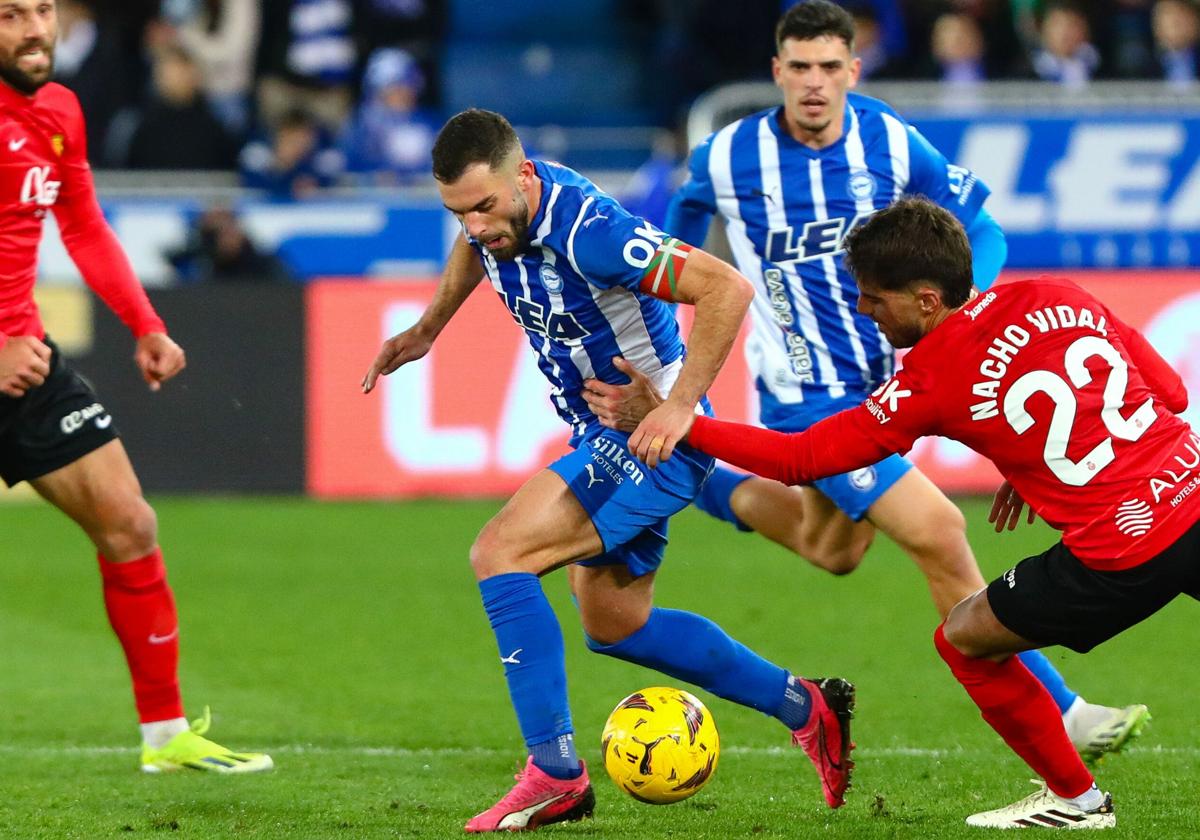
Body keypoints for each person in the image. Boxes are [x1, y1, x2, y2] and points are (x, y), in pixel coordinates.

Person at [585, 196, 1198, 829]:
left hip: (1121, 549)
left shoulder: (932, 376)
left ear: (928, 300)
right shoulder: (1056, 292)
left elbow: (804, 458)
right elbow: (1172, 393)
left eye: (876, 298)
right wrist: (1038, 453)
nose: (863, 310)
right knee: (838, 547)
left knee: (965, 639)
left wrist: (680, 421)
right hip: (1194, 493)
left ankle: (1077, 800)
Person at [662, 0, 1146, 760]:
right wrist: (669, 319)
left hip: (894, 388)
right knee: (941, 531)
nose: (815, 84)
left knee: (835, 550)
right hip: (805, 392)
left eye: (830, 68)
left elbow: (981, 229)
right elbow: (674, 243)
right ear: (776, 72)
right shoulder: (725, 157)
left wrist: (959, 318)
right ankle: (1070, 711)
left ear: (853, 70)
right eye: (800, 68)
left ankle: (704, 483)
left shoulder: (889, 138)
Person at [362, 108, 855, 832]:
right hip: (601, 430)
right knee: (615, 624)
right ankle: (807, 707)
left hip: (649, 440)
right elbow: (483, 248)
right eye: (458, 212)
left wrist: (679, 407)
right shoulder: (497, 218)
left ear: (522, 177)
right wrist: (429, 327)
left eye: (485, 207)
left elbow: (726, 289)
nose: (474, 227)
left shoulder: (594, 230)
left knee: (500, 553)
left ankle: (555, 776)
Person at [0, 0, 270, 774]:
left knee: (130, 524)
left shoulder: (57, 110)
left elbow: (82, 223)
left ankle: (164, 736)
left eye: (42, 11)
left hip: (27, 364)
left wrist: (145, 323)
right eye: (11, 15)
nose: (33, 30)